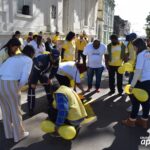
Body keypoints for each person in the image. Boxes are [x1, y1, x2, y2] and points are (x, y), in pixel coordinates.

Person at [0, 45, 35, 142]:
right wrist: (18, 88)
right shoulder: (28, 60)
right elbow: (25, 77)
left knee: (5, 110)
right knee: (16, 111)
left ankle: (9, 133)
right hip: (10, 83)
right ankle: (19, 135)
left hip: (0, 82)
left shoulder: (14, 57)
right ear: (32, 54)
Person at [122, 38, 150, 129]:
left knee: (135, 102)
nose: (134, 49)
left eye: (134, 47)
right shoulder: (148, 53)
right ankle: (144, 121)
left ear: (138, 46)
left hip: (141, 82)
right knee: (146, 102)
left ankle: (131, 121)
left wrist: (132, 86)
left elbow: (137, 72)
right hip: (149, 82)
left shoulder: (141, 55)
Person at [27, 49, 60, 116]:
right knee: (31, 89)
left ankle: (50, 102)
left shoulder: (56, 59)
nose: (54, 60)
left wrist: (50, 78)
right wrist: (33, 82)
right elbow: (34, 72)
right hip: (33, 72)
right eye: (53, 58)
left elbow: (54, 69)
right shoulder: (42, 59)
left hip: (42, 73)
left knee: (48, 85)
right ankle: (31, 109)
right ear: (50, 55)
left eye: (56, 58)